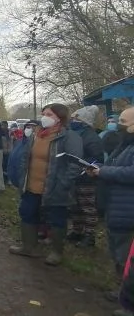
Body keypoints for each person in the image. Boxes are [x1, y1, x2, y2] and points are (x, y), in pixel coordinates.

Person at [9, 103, 83, 266]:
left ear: (59, 117)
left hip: (55, 187)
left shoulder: (69, 137)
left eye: (49, 114)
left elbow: (75, 164)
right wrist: (22, 178)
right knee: (27, 213)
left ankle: (56, 253)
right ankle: (29, 247)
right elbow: (25, 157)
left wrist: (63, 183)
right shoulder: (36, 135)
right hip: (31, 185)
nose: (44, 117)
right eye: (44, 113)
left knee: (57, 219)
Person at [86, 107, 134, 312]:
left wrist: (104, 171)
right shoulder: (125, 144)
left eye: (123, 121)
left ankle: (129, 302)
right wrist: (96, 168)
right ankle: (121, 291)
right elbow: (114, 164)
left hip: (128, 208)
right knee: (117, 253)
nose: (118, 124)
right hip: (115, 206)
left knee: (127, 258)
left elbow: (130, 173)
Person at [67, 105, 104, 248]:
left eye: (75, 118)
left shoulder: (91, 137)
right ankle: (77, 230)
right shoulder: (74, 134)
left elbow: (97, 158)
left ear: (83, 121)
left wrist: (86, 167)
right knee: (75, 206)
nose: (72, 120)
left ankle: (89, 236)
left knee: (87, 207)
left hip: (87, 178)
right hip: (74, 176)